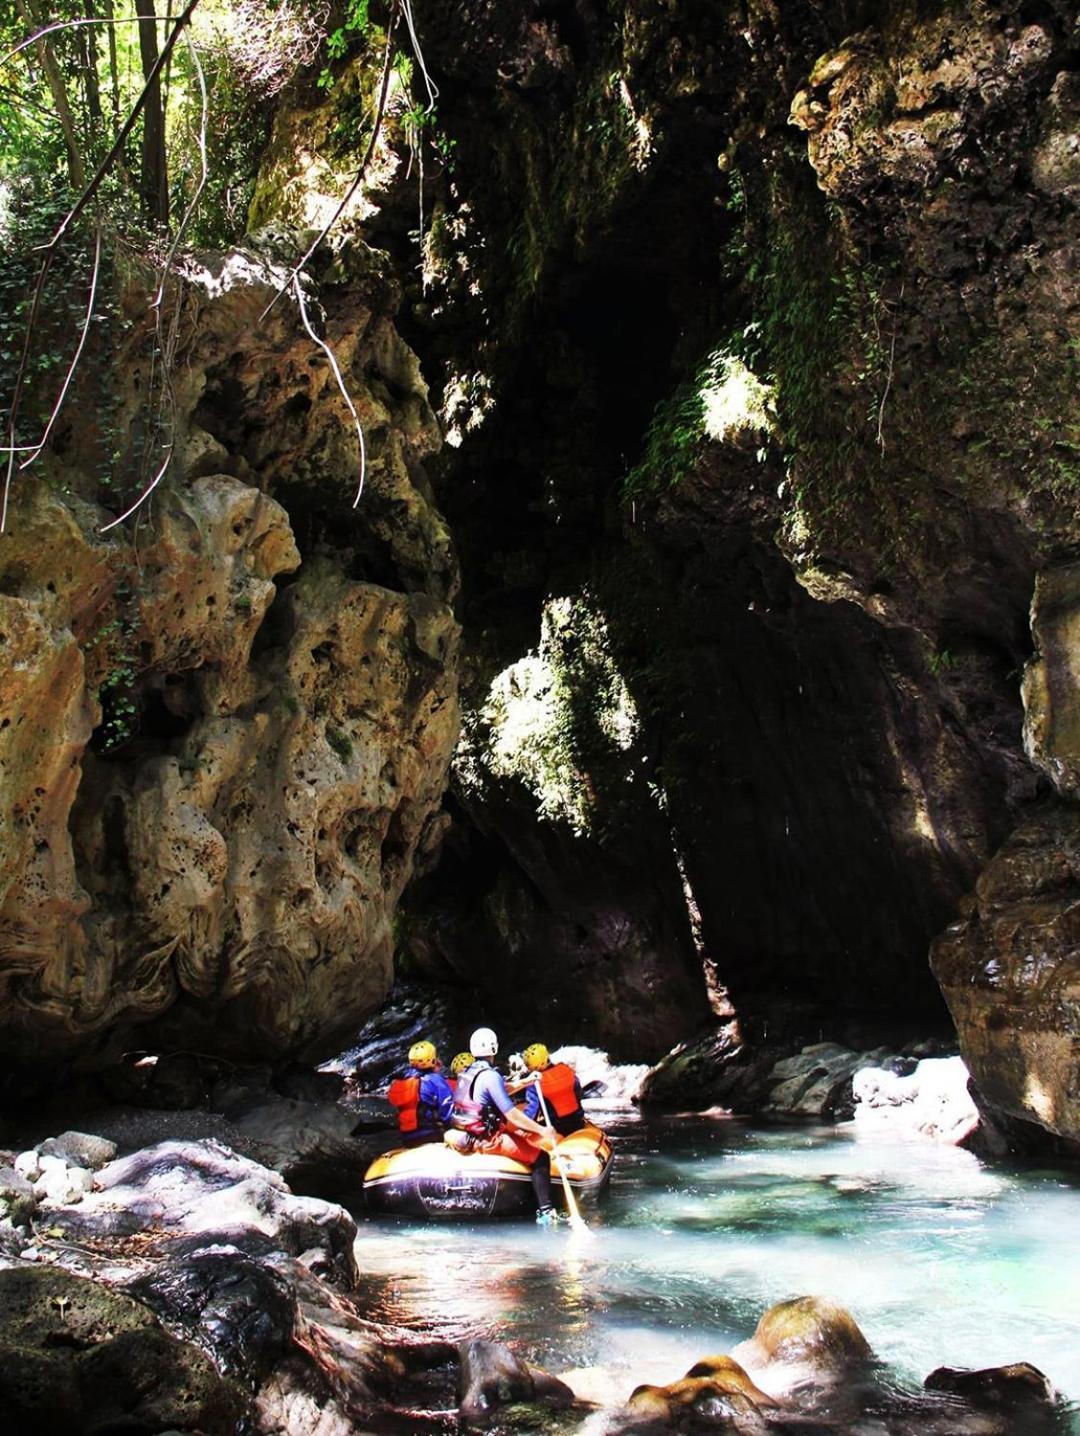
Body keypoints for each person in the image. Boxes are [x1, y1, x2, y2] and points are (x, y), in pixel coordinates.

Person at [452, 1027, 561, 1224]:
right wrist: (543, 1130)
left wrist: (526, 1082)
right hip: (489, 1140)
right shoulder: (491, 1076)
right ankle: (546, 1212)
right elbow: (512, 1115)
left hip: (469, 1135)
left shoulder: (468, 1072)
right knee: (541, 1157)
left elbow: (499, 1090)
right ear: (494, 1048)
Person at [387, 1040, 455, 1147]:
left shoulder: (405, 1081)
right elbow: (447, 1110)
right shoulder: (436, 1081)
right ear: (433, 1060)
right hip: (431, 1135)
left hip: (407, 1137)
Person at [521, 1044, 587, 1136]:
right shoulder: (566, 1069)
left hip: (556, 1127)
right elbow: (578, 1093)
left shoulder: (534, 1082)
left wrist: (522, 1127)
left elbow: (532, 1112)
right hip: (578, 1122)